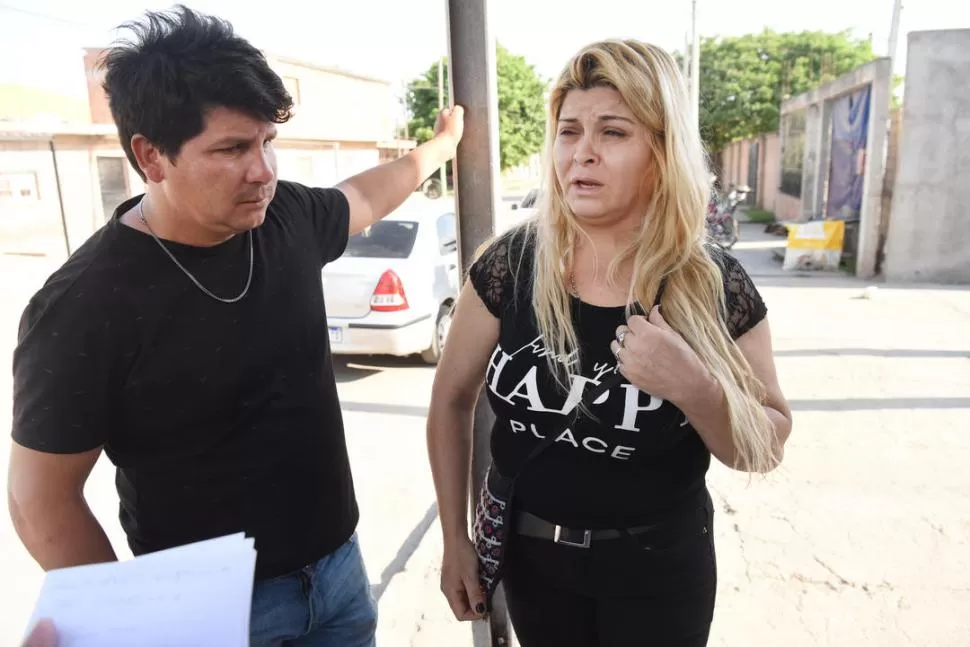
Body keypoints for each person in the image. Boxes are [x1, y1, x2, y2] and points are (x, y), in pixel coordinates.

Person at [7, 6, 463, 646]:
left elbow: (363, 195)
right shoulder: (85, 304)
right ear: (150, 156)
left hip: (338, 573)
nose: (264, 171)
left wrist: (440, 148)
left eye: (267, 141)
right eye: (232, 149)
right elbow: (40, 499)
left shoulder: (286, 217)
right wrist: (129, 625)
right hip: (210, 611)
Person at [426, 39, 792, 647]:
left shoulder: (711, 284)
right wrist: (454, 539)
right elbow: (450, 400)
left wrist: (695, 388)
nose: (582, 153)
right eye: (569, 132)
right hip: (534, 565)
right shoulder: (509, 266)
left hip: (658, 573)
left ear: (661, 152)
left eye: (614, 132)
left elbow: (765, 447)